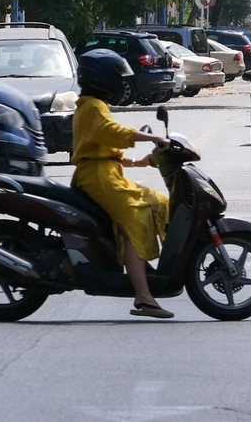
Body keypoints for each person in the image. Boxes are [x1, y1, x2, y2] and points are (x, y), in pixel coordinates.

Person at [72, 49, 174, 318]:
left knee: (157, 201)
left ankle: (142, 269)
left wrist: (136, 163)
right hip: (97, 178)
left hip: (106, 173)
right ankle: (142, 295)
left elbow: (102, 146)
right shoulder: (93, 107)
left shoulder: (93, 106)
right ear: (105, 79)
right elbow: (112, 134)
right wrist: (152, 139)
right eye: (118, 77)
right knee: (135, 215)